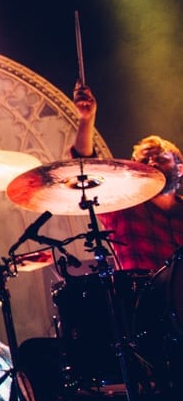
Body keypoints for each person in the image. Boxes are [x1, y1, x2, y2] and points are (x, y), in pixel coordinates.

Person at [70, 82, 183, 273]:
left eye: (161, 159)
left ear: (180, 169)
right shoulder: (122, 205)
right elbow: (85, 169)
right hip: (143, 301)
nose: (152, 163)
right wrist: (86, 119)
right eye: (145, 160)